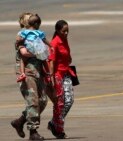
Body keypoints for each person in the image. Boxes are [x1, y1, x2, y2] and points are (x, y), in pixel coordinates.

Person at [11, 12, 48, 140]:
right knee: (33, 101)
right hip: (27, 72)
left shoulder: (36, 35)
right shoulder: (21, 36)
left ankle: (20, 121)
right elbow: (24, 52)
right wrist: (40, 52)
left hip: (38, 72)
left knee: (42, 101)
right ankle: (33, 131)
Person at [47, 20, 75, 139]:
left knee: (69, 100)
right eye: (64, 31)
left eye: (67, 30)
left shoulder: (64, 39)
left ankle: (54, 122)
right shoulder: (54, 43)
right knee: (60, 103)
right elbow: (51, 62)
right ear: (58, 31)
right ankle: (59, 129)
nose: (66, 33)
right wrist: (51, 78)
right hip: (57, 75)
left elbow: (68, 57)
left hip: (66, 73)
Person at [16, 14, 52, 82]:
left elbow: (21, 39)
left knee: (22, 60)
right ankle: (48, 73)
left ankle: (22, 73)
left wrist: (18, 42)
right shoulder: (39, 32)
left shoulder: (24, 32)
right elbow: (44, 39)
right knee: (44, 59)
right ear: (36, 24)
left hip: (29, 48)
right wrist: (50, 45)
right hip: (37, 48)